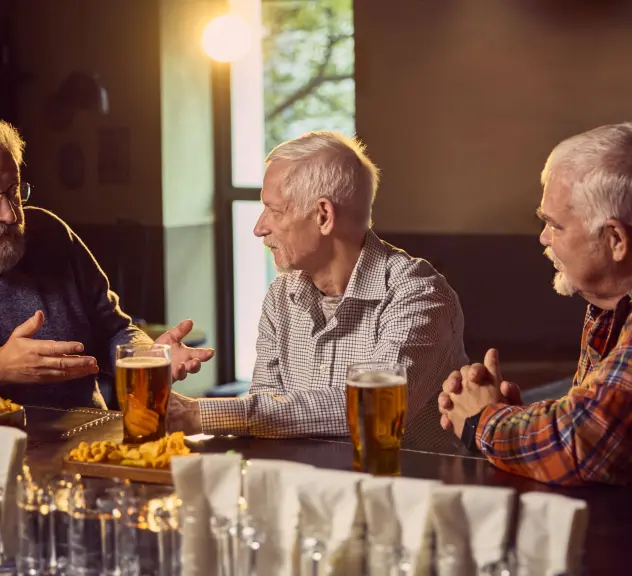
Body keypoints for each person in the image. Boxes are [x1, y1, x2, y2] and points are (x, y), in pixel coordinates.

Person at [169, 131, 468, 442]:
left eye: (275, 210)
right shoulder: (281, 296)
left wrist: (198, 414)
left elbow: (374, 409)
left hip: (407, 488)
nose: (259, 228)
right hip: (307, 486)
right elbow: (263, 423)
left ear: (323, 216)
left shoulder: (419, 295)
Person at [438, 122, 632, 486]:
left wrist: (482, 419)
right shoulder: (611, 308)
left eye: (555, 226)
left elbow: (579, 444)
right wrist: (510, 416)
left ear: (615, 239)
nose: (543, 238)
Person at [0, 120, 214, 408]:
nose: (11, 215)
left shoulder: (49, 232)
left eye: (13, 190)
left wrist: (146, 356)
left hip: (90, 440)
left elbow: (113, 329)